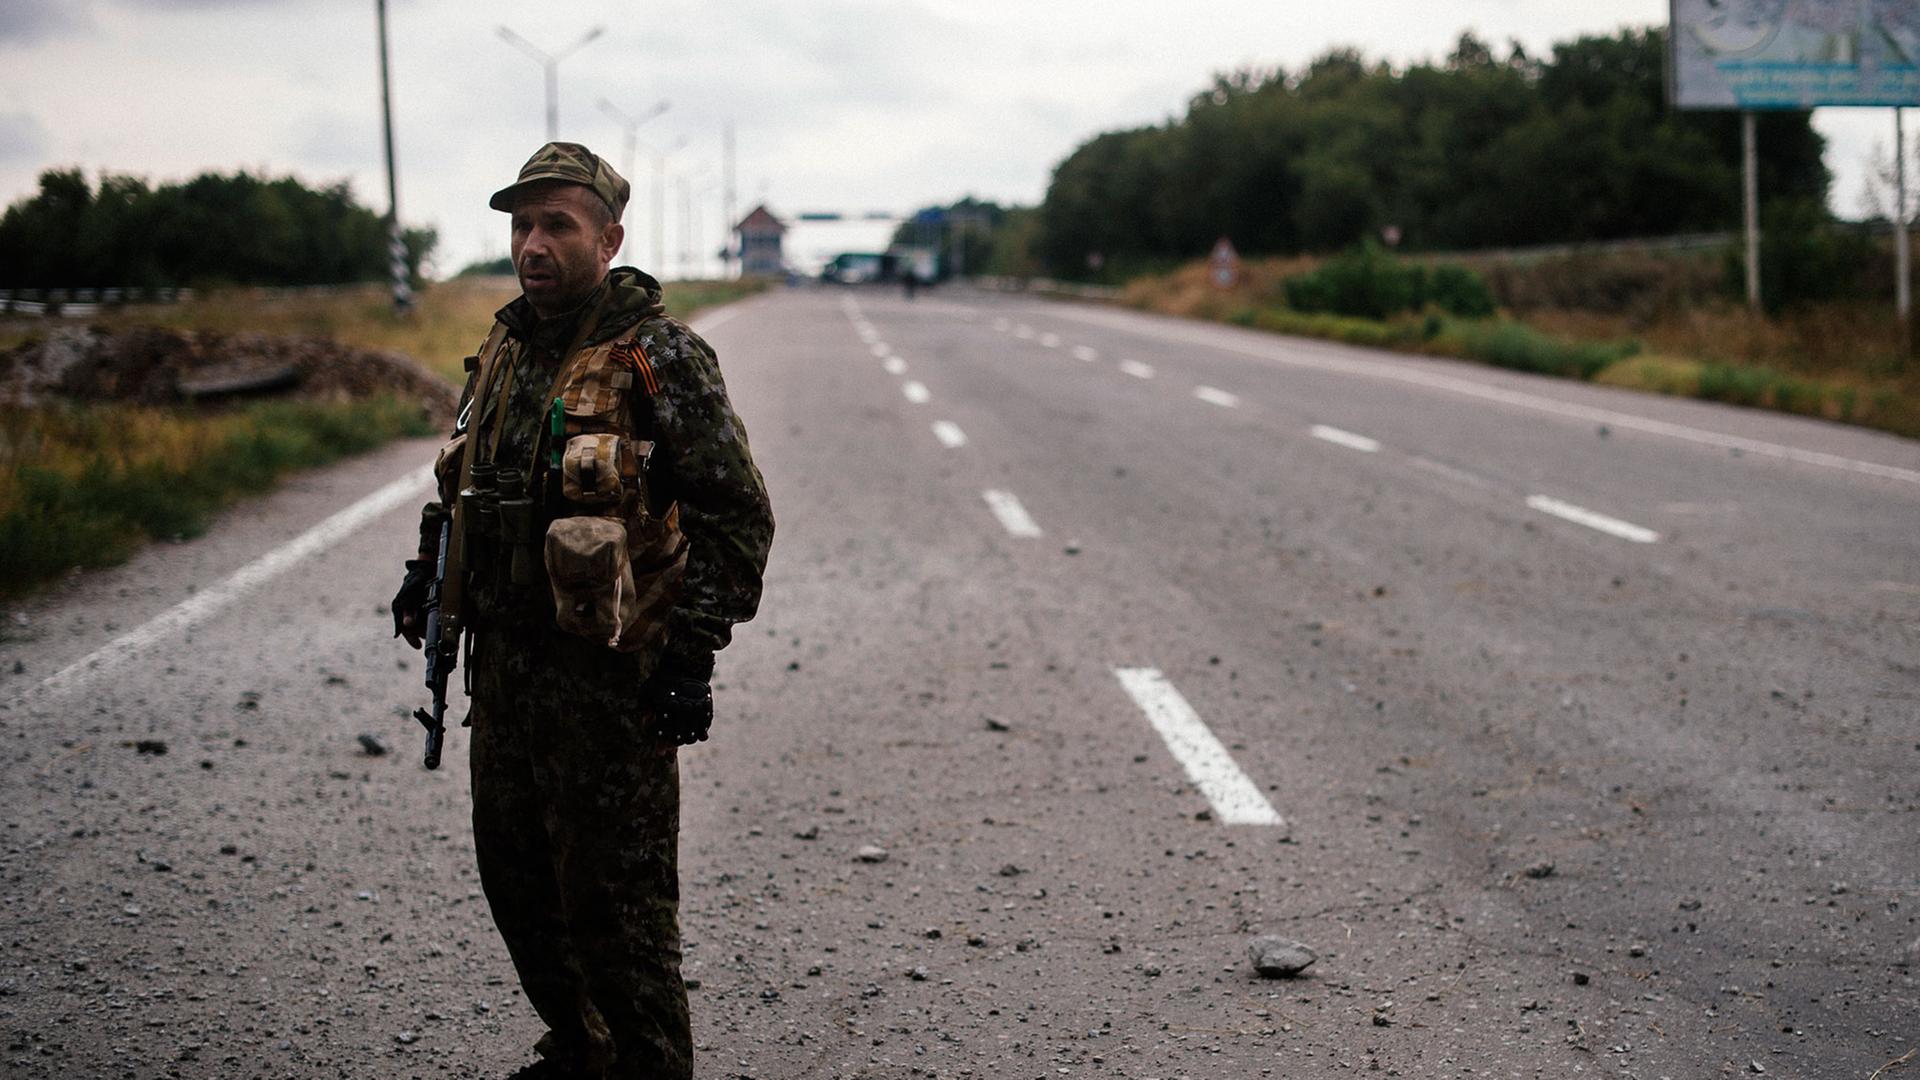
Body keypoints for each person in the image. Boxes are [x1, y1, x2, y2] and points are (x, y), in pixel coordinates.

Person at [391, 141, 774, 1080]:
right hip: (508, 678)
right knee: (518, 888)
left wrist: (692, 655)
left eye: (556, 224)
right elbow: (471, 482)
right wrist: (426, 565)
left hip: (611, 686)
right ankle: (581, 1050)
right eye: (522, 225)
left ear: (607, 236)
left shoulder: (660, 357)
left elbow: (737, 517)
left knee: (619, 917)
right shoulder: (506, 352)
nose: (533, 243)